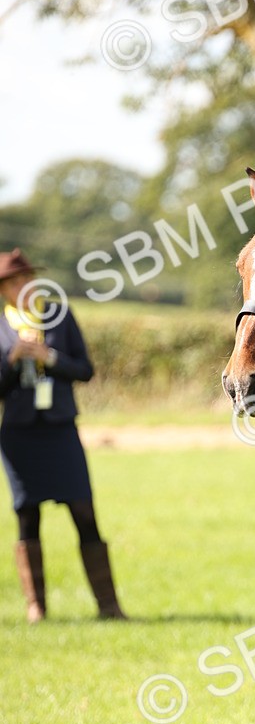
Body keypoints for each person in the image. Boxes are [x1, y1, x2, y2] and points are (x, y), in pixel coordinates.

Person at [0, 248, 126, 621]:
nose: (22, 286)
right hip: (18, 435)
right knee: (27, 517)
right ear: (4, 289)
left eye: (27, 279)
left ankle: (109, 607)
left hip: (60, 430)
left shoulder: (58, 316)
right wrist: (11, 360)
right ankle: (36, 607)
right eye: (13, 283)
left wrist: (48, 357)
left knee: (84, 513)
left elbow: (85, 370)